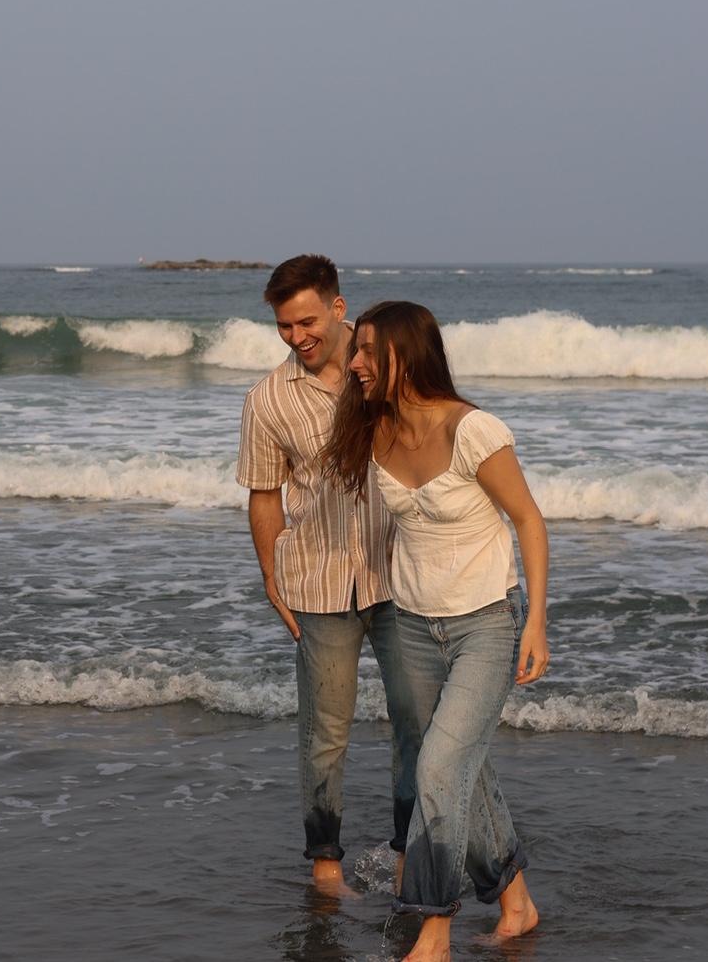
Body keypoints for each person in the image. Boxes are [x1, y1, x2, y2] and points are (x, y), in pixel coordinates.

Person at [322, 300, 548, 961]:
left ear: (406, 353)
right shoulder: (374, 429)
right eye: (356, 350)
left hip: (487, 624)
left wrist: (537, 620)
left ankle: (433, 930)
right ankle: (516, 903)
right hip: (413, 625)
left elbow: (529, 521)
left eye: (369, 351)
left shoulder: (473, 430)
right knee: (462, 771)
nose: (356, 363)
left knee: (439, 769)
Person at [236, 255, 404, 896]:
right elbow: (264, 494)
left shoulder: (388, 365)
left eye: (306, 321)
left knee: (416, 724)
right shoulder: (267, 399)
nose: (296, 336)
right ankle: (326, 865)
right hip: (318, 580)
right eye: (284, 326)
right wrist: (271, 576)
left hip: (402, 575)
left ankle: (408, 854)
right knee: (325, 733)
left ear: (338, 307)